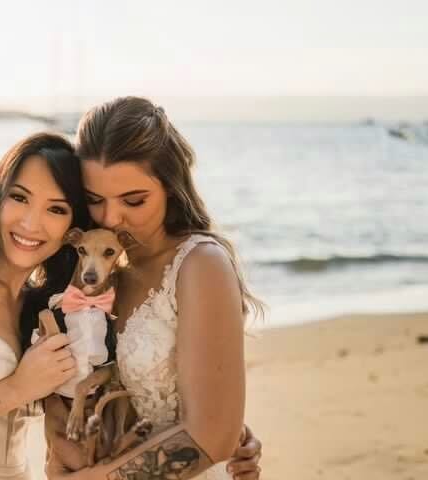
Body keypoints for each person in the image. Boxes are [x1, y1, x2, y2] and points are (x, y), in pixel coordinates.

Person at [0, 131, 263, 480]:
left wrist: (219, 429)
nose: (31, 223)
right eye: (19, 197)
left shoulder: (44, 305)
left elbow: (114, 378)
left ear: (74, 226)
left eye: (56, 208)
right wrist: (15, 388)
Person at [42, 97, 264, 480]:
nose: (112, 217)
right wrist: (59, 449)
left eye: (134, 200)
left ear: (170, 187)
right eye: (95, 200)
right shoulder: (97, 271)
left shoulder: (199, 265)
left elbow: (213, 435)